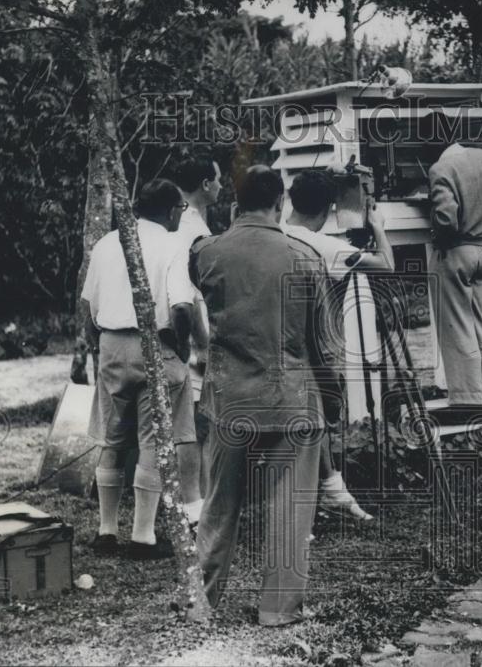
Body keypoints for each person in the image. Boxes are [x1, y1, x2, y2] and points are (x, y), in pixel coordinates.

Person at [191, 165, 336, 627]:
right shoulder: (305, 257)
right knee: (290, 511)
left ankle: (202, 601)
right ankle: (278, 610)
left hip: (230, 397)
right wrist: (332, 403)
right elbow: (324, 345)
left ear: (235, 203)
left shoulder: (207, 252)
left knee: (218, 504)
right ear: (281, 204)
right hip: (293, 399)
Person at [82, 179, 205, 560]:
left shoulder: (107, 242)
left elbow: (87, 304)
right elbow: (182, 307)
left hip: (111, 344)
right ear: (172, 211)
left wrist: (95, 347)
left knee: (112, 438)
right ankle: (142, 535)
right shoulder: (173, 244)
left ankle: (105, 530)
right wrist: (183, 347)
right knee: (155, 439)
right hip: (154, 343)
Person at [284, 169, 395, 522]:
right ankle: (310, 504)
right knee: (318, 420)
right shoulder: (326, 246)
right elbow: (386, 265)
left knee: (310, 421)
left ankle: (331, 490)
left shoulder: (275, 233)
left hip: (279, 342)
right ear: (327, 209)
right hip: (315, 346)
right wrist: (376, 226)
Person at [427, 143, 482, 415]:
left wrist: (435, 230)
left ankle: (467, 402)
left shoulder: (440, 168)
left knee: (457, 328)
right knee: (480, 325)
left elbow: (446, 219)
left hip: (456, 253)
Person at [170, 156, 223, 526]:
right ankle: (196, 502)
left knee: (192, 421)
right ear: (205, 184)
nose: (222, 186)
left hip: (181, 322)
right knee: (196, 424)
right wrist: (202, 341)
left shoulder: (182, 221)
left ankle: (197, 499)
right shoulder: (192, 230)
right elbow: (191, 289)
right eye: (218, 180)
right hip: (192, 324)